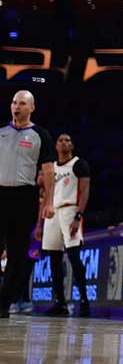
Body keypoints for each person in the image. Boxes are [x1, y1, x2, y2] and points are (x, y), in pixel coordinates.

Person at [0, 91, 54, 319]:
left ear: (32, 107)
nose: (17, 106)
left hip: (24, 196)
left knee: (17, 252)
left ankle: (4, 303)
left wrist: (48, 202)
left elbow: (49, 171)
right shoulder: (1, 131)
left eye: (22, 103)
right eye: (14, 102)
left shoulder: (40, 135)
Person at [40, 133, 91, 317]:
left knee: (75, 258)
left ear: (72, 145)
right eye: (61, 140)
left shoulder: (79, 164)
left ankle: (84, 300)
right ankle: (59, 302)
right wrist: (39, 224)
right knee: (54, 260)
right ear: (55, 145)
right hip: (52, 212)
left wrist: (79, 216)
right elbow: (45, 196)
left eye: (68, 140)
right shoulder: (50, 168)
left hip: (70, 210)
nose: (64, 142)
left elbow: (85, 192)